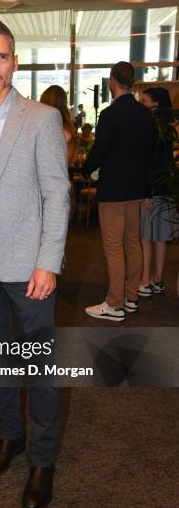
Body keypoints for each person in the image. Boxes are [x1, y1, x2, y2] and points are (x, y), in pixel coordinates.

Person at [0, 20, 70, 508]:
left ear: (15, 61)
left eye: (2, 57)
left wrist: (49, 263)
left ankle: (43, 460)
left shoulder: (41, 118)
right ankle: (11, 437)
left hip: (29, 267)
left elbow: (57, 194)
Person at [83, 62, 157, 322]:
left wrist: (85, 168)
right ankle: (131, 297)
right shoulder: (144, 114)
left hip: (113, 191)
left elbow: (99, 151)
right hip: (137, 189)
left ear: (112, 81)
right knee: (132, 244)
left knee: (114, 248)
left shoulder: (109, 115)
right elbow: (150, 154)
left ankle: (114, 304)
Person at [139, 87, 176, 296]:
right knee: (161, 238)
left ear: (155, 104)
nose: (141, 105)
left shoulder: (151, 127)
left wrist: (146, 192)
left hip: (152, 189)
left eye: (144, 101)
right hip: (168, 188)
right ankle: (158, 280)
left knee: (146, 237)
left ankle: (144, 280)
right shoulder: (169, 127)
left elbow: (150, 162)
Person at [40, 85, 78, 165]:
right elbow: (71, 159)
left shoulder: (34, 126)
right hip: (57, 174)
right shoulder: (67, 130)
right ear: (64, 104)